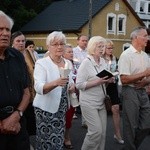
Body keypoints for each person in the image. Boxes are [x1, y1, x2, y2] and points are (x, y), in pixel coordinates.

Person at [33, 31, 74, 150]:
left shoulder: (68, 63)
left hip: (61, 107)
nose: (59, 47)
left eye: (62, 44)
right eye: (55, 44)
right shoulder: (42, 63)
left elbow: (70, 81)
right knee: (45, 142)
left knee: (58, 140)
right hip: (45, 109)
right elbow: (39, 88)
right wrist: (56, 83)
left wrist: (71, 85)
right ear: (48, 46)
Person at [76, 36, 114, 150]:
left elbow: (103, 83)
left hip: (101, 102)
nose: (102, 49)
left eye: (103, 46)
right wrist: (97, 82)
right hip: (88, 103)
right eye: (99, 46)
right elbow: (79, 85)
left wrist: (108, 81)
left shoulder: (103, 61)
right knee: (95, 132)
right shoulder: (86, 63)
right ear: (93, 47)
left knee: (102, 134)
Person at [0, 10, 30, 150]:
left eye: (7, 29)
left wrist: (17, 115)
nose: (5, 33)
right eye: (0, 29)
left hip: (18, 126)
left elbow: (26, 92)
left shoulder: (17, 56)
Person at [118, 26, 150, 150]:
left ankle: (129, 148)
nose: (147, 38)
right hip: (129, 91)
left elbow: (148, 75)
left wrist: (145, 82)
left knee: (146, 124)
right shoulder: (126, 55)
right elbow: (124, 79)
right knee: (130, 125)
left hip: (142, 90)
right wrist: (144, 75)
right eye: (145, 36)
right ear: (136, 38)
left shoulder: (145, 55)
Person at [11, 31, 36, 147]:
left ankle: (28, 143)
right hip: (16, 95)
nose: (21, 43)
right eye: (18, 41)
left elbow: (34, 70)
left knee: (29, 122)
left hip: (30, 94)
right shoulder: (9, 55)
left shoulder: (29, 53)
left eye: (23, 41)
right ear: (12, 43)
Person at [102, 39, 124, 144]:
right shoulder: (100, 59)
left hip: (112, 84)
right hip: (101, 85)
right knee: (101, 109)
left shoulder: (114, 58)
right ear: (104, 48)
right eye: (108, 48)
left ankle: (117, 133)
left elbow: (116, 70)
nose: (110, 50)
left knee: (116, 108)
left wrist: (116, 72)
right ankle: (98, 134)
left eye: (112, 48)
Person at [63, 44, 78, 149]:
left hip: (73, 93)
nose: (71, 53)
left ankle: (67, 136)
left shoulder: (74, 64)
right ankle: (63, 137)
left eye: (72, 51)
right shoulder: (62, 64)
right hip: (63, 93)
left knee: (69, 118)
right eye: (69, 52)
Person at [73, 35, 88, 127]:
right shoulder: (74, 51)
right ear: (78, 41)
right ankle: (73, 112)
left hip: (86, 77)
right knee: (75, 96)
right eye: (83, 40)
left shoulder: (89, 52)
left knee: (84, 98)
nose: (85, 42)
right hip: (76, 76)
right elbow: (74, 63)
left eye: (86, 41)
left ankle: (85, 120)